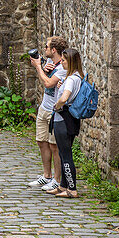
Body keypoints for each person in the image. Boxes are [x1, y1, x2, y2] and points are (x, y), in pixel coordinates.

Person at [29, 36, 68, 192]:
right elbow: (46, 83)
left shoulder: (63, 68)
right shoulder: (52, 65)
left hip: (55, 111)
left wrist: (38, 67)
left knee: (54, 146)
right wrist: (44, 70)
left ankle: (57, 180)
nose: (43, 49)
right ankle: (47, 175)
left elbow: (48, 84)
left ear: (53, 50)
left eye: (46, 47)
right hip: (44, 108)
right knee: (42, 141)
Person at [50, 48, 84, 198]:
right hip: (70, 120)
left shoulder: (70, 79)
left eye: (63, 60)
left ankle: (72, 188)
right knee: (64, 154)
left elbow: (64, 98)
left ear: (70, 61)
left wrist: (56, 105)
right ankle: (63, 185)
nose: (61, 63)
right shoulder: (77, 77)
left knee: (66, 155)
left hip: (63, 119)